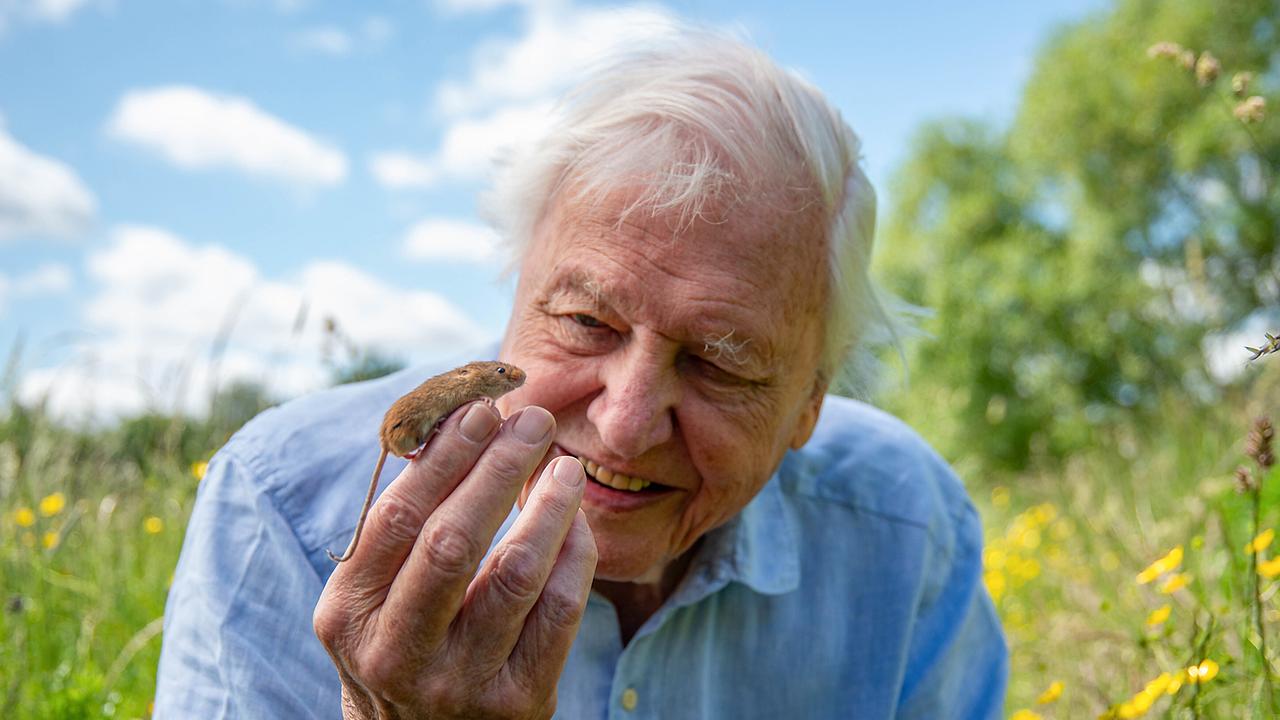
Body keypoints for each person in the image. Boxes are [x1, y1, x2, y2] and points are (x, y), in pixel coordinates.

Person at [155, 28, 1007, 719]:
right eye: (586, 323)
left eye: (718, 363)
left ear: (808, 407)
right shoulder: (284, 508)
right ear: (515, 294)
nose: (628, 422)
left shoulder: (905, 532)